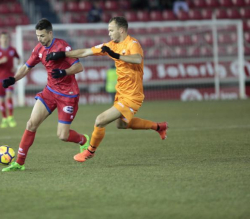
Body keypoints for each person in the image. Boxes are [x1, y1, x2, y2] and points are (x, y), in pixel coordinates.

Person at [46, 16, 168, 163]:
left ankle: (89, 151)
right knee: (121, 124)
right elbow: (86, 52)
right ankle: (159, 127)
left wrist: (114, 55)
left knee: (100, 120)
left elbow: (137, 59)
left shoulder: (132, 43)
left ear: (121, 30)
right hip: (121, 93)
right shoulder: (111, 45)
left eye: (111, 30)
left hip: (132, 95)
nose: (109, 33)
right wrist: (63, 54)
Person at [1, 18, 89, 171]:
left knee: (62, 136)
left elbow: (79, 67)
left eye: (42, 36)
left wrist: (64, 71)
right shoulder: (38, 49)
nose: (39, 39)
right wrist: (13, 79)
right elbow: (26, 66)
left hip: (68, 95)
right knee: (31, 124)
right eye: (37, 36)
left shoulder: (62, 46)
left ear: (50, 33)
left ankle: (83, 140)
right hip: (50, 91)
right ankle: (19, 163)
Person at [0, 32, 20, 128]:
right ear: (0, 40)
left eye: (6, 38)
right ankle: (4, 118)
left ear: (8, 39)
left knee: (9, 96)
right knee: (1, 99)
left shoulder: (12, 50)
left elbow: (18, 58)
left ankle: (11, 117)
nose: (4, 40)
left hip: (9, 77)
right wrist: (0, 61)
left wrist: (16, 66)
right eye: (3, 38)